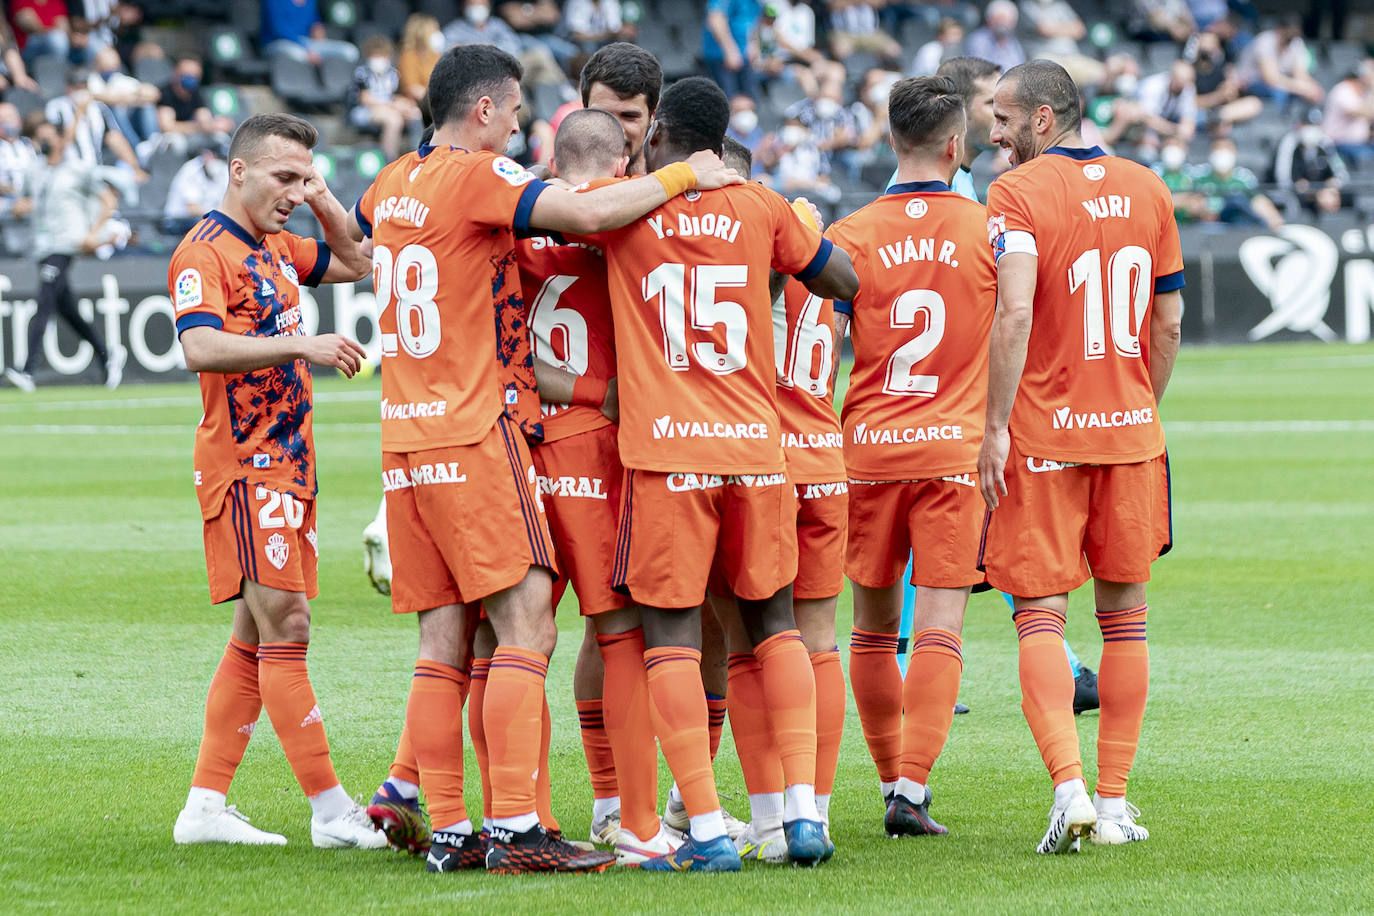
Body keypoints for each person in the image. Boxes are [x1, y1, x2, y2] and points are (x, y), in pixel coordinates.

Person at [350, 43, 739, 875]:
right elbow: (605, 226)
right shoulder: (573, 204)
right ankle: (600, 820)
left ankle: (453, 823)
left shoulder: (395, 182)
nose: (525, 124)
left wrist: (314, 203)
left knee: (464, 638)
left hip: (423, 437)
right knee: (600, 630)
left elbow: (360, 237)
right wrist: (685, 180)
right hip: (544, 440)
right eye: (520, 111)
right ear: (485, 109)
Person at [575, 75, 858, 871]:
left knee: (668, 638)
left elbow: (576, 222)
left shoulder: (630, 205)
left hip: (668, 456)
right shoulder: (766, 206)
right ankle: (802, 814)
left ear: (659, 131)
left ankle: (702, 829)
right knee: (776, 628)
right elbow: (842, 282)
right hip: (755, 453)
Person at [980, 59, 1184, 854]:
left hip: (1043, 435)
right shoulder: (1149, 185)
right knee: (1125, 620)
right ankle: (1116, 802)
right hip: (1131, 434)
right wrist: (1137, 404)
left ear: (1041, 120)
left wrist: (996, 425)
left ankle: (1069, 793)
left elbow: (1017, 309)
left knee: (1039, 613)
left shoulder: (1017, 195)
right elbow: (1166, 327)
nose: (991, 133)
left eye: (1001, 118)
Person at [166, 113, 383, 849]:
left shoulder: (280, 245)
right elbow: (199, 344)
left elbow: (359, 264)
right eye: (283, 178)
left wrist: (324, 198)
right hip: (244, 464)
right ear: (238, 171)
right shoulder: (204, 251)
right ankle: (330, 811)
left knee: (255, 634)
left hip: (289, 464)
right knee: (287, 624)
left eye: (303, 177)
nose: (294, 191)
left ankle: (204, 806)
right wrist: (303, 342)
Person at [829, 73, 995, 838]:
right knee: (938, 628)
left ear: (890, 138)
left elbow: (818, 347)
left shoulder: (850, 233)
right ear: (957, 144)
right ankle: (913, 791)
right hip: (952, 449)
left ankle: (887, 773)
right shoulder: (988, 229)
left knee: (867, 629)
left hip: (866, 449)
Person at [4, 116, 126, 393]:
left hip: (66, 244)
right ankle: (108, 355)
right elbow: (24, 202)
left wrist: (93, 233)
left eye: (47, 137)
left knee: (45, 300)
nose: (42, 143)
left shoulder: (78, 170)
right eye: (39, 138)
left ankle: (27, 370)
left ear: (60, 139)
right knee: (66, 309)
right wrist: (20, 207)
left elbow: (108, 199)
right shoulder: (35, 170)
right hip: (42, 245)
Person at [348, 36, 421, 162]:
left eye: (381, 55)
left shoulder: (393, 74)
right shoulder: (362, 72)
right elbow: (365, 99)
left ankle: (419, 155)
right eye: (374, 56)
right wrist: (391, 105)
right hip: (364, 111)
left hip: (387, 107)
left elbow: (394, 96)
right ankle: (389, 160)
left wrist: (403, 104)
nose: (378, 60)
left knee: (415, 114)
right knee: (394, 119)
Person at [1193, 136, 1283, 230]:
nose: (1222, 152)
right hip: (1204, 225)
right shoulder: (1199, 175)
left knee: (1238, 202)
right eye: (1218, 148)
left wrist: (1274, 220)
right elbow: (1187, 200)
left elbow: (1259, 200)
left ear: (1234, 152)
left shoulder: (1243, 177)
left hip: (1236, 225)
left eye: (1227, 148)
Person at [1234, 16, 1323, 109]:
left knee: (1311, 92)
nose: (1292, 34)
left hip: (1279, 82)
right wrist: (1301, 88)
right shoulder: (1265, 41)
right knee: (1281, 93)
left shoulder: (1296, 42)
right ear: (1280, 29)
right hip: (1250, 83)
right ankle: (1275, 122)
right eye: (1289, 31)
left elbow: (1300, 74)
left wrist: (1313, 87)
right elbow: (1270, 79)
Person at [1270, 115, 1349, 217]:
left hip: (1321, 191)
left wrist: (1331, 185)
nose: (1312, 129)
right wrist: (1310, 190)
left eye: (1315, 124)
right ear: (1299, 125)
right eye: (1308, 124)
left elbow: (1341, 173)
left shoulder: (1325, 142)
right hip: (1292, 192)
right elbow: (1283, 179)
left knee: (1342, 198)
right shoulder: (1289, 142)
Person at [260, 0, 357, 64]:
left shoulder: (310, 1)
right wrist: (307, 50)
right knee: (299, 55)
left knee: (349, 51)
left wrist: (317, 29)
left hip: (306, 43)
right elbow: (279, 30)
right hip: (277, 43)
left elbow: (314, 21)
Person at [162, 142, 228, 236]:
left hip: (206, 218)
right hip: (177, 221)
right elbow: (192, 208)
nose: (220, 162)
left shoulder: (223, 171)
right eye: (218, 158)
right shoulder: (191, 170)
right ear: (207, 155)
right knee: (211, 224)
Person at [702, 0, 763, 100]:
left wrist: (754, 44)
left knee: (750, 100)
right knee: (728, 101)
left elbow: (753, 22)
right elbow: (715, 19)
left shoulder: (755, 2)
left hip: (745, 56)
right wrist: (730, 50)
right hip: (721, 57)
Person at [1323, 60, 1374, 167]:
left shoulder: (1363, 93)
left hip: (1359, 144)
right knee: (1366, 158)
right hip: (1339, 144)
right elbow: (1356, 113)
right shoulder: (1343, 89)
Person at [965, 0, 1025, 74]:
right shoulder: (978, 40)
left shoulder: (1013, 43)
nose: (1002, 23)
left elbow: (1019, 68)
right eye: (999, 19)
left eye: (1007, 20)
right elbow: (980, 71)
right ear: (989, 19)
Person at [397, 13, 444, 103]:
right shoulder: (408, 56)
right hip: (416, 104)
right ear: (422, 34)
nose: (438, 34)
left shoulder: (436, 55)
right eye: (434, 30)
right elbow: (412, 88)